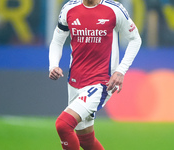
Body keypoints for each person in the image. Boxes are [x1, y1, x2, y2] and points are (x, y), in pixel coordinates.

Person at [49, 0, 141, 149]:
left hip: (101, 82)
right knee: (86, 140)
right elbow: (57, 41)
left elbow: (135, 39)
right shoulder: (69, 8)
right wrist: (53, 65)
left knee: (63, 125)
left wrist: (120, 70)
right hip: (74, 81)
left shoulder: (114, 9)